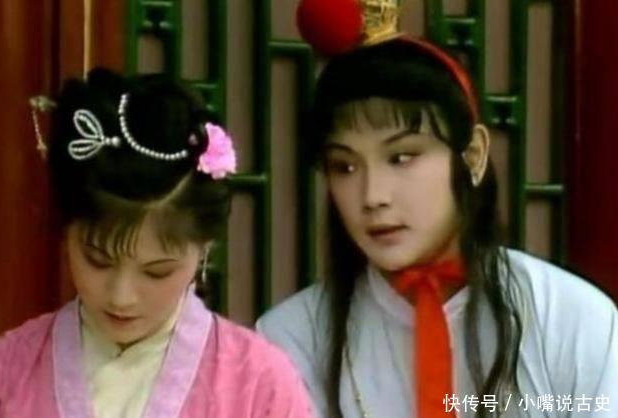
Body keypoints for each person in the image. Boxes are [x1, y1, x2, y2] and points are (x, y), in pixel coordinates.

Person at [256, 1, 618, 417]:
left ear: (473, 155)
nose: (372, 196)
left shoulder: (569, 316)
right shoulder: (291, 339)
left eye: (402, 158)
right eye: (345, 166)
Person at [0, 68, 315, 418]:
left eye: (157, 272)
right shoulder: (2, 377)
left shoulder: (260, 385)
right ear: (66, 233)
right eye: (98, 260)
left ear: (204, 248)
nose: (121, 297)